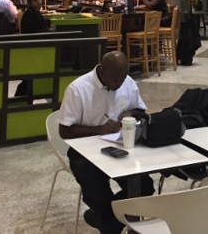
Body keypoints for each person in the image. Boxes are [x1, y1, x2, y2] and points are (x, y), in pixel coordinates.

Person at [59, 51, 153, 234]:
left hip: (118, 145)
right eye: (115, 81)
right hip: (85, 150)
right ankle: (109, 220)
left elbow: (141, 111)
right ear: (103, 72)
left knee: (145, 187)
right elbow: (64, 131)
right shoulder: (78, 89)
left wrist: (129, 114)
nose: (119, 85)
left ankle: (102, 218)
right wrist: (97, 129)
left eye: (123, 79)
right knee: (98, 195)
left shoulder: (127, 83)